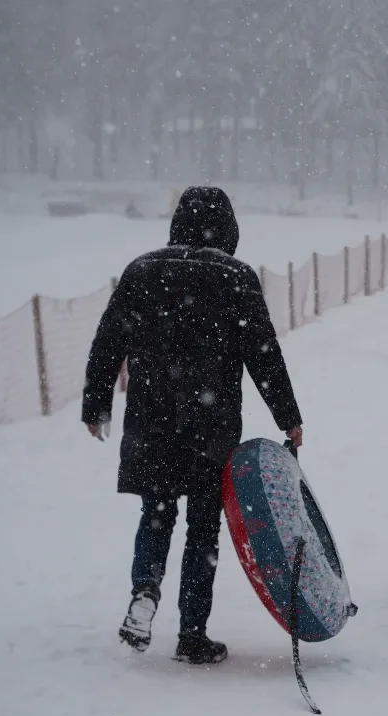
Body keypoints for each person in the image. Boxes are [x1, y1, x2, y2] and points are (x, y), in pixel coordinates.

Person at [82, 186, 304, 665]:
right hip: (211, 425)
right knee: (203, 529)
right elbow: (263, 355)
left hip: (151, 421)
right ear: (228, 228)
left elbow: (108, 341)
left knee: (157, 513)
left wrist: (96, 403)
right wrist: (289, 417)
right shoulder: (235, 276)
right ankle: (191, 633)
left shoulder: (143, 270)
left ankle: (145, 592)